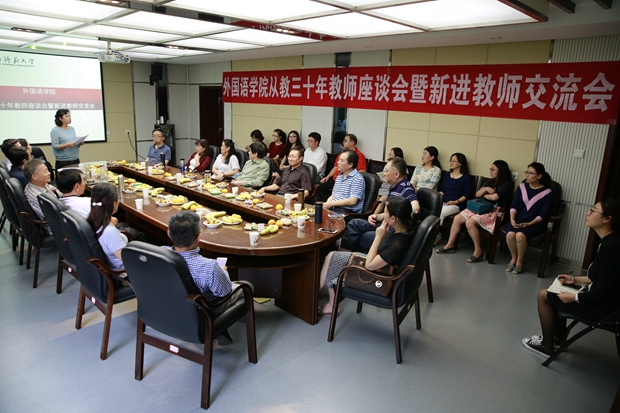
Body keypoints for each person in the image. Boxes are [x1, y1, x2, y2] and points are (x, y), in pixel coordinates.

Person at [522, 199, 620, 357]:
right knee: (559, 290)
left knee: (544, 295)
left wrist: (575, 297)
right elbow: (601, 277)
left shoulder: (611, 247)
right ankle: (558, 339)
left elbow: (603, 292)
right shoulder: (611, 241)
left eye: (593, 211)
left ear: (607, 219)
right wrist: (574, 280)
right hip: (604, 302)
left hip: (603, 310)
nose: (588, 213)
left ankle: (547, 346)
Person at [318, 196, 416, 315]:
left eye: (385, 212)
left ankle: (329, 304)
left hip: (379, 276)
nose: (383, 215)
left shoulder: (397, 245)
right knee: (332, 256)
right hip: (378, 263)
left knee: (332, 258)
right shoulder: (402, 229)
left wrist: (379, 236)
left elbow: (369, 266)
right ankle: (318, 294)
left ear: (393, 219)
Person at [163, 211, 251, 315]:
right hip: (202, 312)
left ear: (169, 234)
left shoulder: (159, 254)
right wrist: (223, 272)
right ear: (198, 237)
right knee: (247, 286)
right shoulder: (209, 266)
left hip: (168, 306)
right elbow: (224, 292)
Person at [436, 160, 512, 263]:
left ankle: (478, 250)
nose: (491, 171)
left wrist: (485, 194)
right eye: (491, 169)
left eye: (493, 169)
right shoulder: (492, 182)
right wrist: (486, 190)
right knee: (458, 218)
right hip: (481, 207)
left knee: (470, 222)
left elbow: (495, 197)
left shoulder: (507, 184)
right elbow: (477, 194)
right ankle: (450, 245)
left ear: (501, 171)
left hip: (494, 211)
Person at [341, 157, 419, 252]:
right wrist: (376, 216)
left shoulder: (406, 188)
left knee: (360, 237)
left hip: (391, 231)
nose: (384, 174)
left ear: (396, 174)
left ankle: (346, 256)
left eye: (386, 171)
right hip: (384, 224)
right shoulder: (395, 187)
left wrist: (398, 224)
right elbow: (390, 213)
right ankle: (344, 253)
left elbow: (415, 207)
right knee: (354, 223)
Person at [505, 162, 554, 274]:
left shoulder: (547, 192)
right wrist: (512, 219)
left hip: (535, 223)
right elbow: (514, 205)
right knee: (510, 235)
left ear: (539, 176)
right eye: (526, 172)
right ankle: (513, 258)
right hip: (519, 220)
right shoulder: (522, 187)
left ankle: (520, 261)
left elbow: (543, 214)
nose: (527, 175)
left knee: (520, 236)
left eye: (531, 173)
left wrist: (529, 224)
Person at [315, 133, 367, 202]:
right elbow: (335, 167)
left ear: (352, 142)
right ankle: (324, 204)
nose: (343, 142)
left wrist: (349, 176)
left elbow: (363, 171)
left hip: (348, 180)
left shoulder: (359, 156)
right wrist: (328, 176)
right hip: (337, 178)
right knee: (319, 186)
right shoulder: (342, 154)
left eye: (345, 141)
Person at [87, 183, 127, 272]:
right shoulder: (110, 232)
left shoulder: (92, 220)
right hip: (123, 272)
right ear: (114, 203)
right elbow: (128, 260)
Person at [23, 158, 61, 234]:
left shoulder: (41, 184)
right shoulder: (38, 196)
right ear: (34, 176)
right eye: (45, 171)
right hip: (55, 228)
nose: (49, 173)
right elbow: (52, 216)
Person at [324, 149, 365, 214]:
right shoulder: (340, 176)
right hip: (334, 208)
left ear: (350, 164)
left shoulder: (357, 179)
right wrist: (327, 204)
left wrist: (331, 204)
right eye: (339, 160)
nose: (338, 162)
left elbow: (352, 201)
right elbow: (333, 195)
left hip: (347, 212)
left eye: (341, 160)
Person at [438, 153, 472, 225]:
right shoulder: (447, 175)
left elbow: (467, 195)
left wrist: (455, 202)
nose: (451, 163)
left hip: (456, 205)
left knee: (441, 212)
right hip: (443, 202)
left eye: (454, 161)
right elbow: (442, 190)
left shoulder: (466, 177)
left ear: (460, 163)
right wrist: (438, 197)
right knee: (433, 208)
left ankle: (437, 230)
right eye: (450, 161)